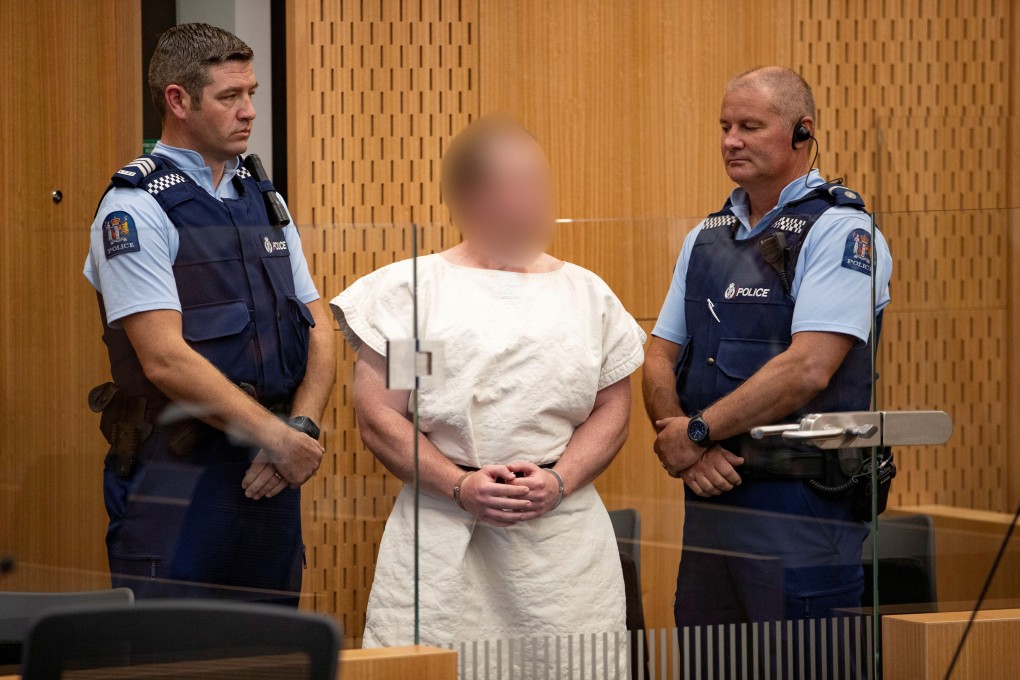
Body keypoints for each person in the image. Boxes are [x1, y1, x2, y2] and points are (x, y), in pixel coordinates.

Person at [331, 116, 645, 677]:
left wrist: (560, 479)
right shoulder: (421, 295)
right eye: (514, 183)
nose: (532, 199)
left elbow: (612, 411)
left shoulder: (585, 296)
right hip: (443, 527)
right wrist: (459, 485)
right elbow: (385, 413)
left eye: (538, 183)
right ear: (471, 195)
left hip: (562, 542)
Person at [643, 67, 892, 673]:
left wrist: (697, 433)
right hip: (712, 498)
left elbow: (807, 368)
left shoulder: (839, 229)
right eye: (725, 126)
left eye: (750, 126)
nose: (731, 139)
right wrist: (682, 439)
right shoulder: (707, 235)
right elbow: (657, 355)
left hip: (800, 504)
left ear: (802, 133)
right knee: (707, 660)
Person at [83, 23, 336, 603]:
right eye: (230, 97)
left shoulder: (261, 196)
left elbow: (319, 328)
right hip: (179, 475)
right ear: (178, 100)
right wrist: (279, 438)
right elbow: (165, 359)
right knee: (174, 656)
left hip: (270, 471)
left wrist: (298, 431)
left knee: (271, 658)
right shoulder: (135, 206)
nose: (249, 111)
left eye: (250, 93)